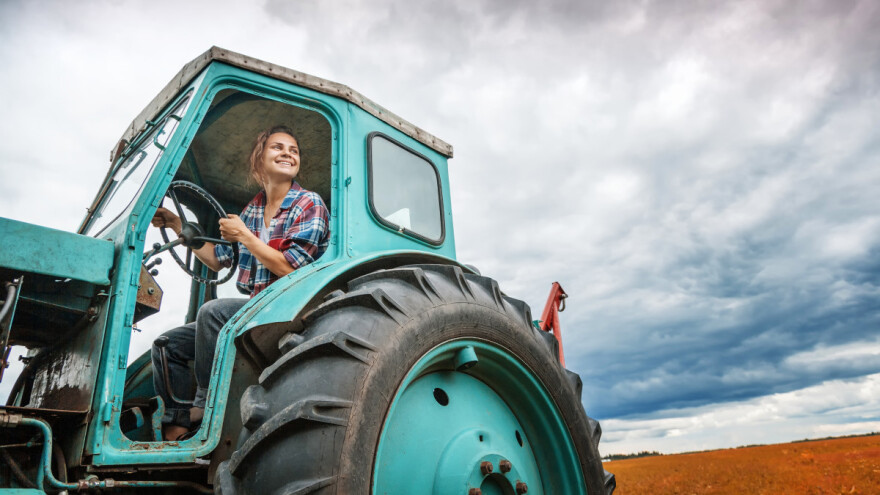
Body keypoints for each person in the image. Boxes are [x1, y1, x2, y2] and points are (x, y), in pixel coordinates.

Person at [150, 125, 329, 440]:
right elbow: (217, 259)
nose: (288, 153)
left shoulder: (308, 203)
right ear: (259, 160)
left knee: (213, 313)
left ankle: (205, 406)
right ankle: (176, 429)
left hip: (290, 311)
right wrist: (180, 226)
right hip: (257, 311)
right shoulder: (253, 209)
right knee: (167, 346)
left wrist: (245, 236)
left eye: (294, 149)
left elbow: (290, 269)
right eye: (278, 147)